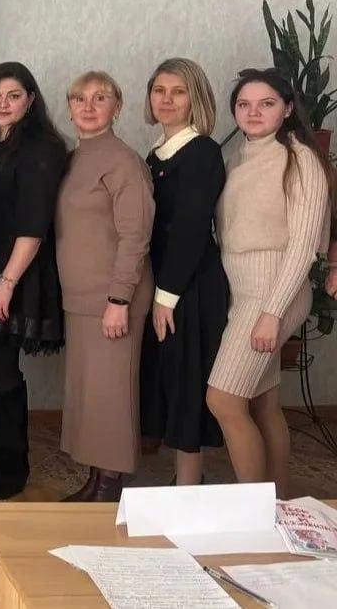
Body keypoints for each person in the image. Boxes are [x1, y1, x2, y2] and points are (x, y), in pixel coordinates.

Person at [207, 68, 332, 495]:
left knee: (223, 399)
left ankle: (254, 509)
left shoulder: (299, 159)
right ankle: (277, 501)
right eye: (244, 104)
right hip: (243, 290)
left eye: (267, 103)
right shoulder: (237, 157)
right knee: (262, 403)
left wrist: (271, 313)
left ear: (288, 109)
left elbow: (303, 246)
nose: (254, 112)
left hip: (274, 291)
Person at [0, 62, 68, 500]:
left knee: (5, 368)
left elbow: (33, 226)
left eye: (14, 95)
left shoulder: (41, 149)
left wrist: (6, 282)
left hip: (18, 271)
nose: (3, 104)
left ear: (31, 101)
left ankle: (14, 466)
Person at [55, 72, 155, 503]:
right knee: (91, 393)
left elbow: (135, 235)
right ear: (69, 107)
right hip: (80, 297)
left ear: (118, 107)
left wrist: (119, 298)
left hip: (113, 298)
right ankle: (97, 479)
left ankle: (111, 485)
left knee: (111, 393)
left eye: (100, 98)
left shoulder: (123, 161)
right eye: (79, 98)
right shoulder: (74, 158)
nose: (88, 106)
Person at [138, 58, 228, 486]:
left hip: (187, 285)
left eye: (178, 91)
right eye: (159, 90)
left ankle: (190, 488)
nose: (167, 99)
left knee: (187, 382)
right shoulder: (156, 153)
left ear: (196, 99)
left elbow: (191, 229)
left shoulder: (202, 152)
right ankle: (184, 482)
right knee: (171, 380)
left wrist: (166, 296)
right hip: (164, 283)